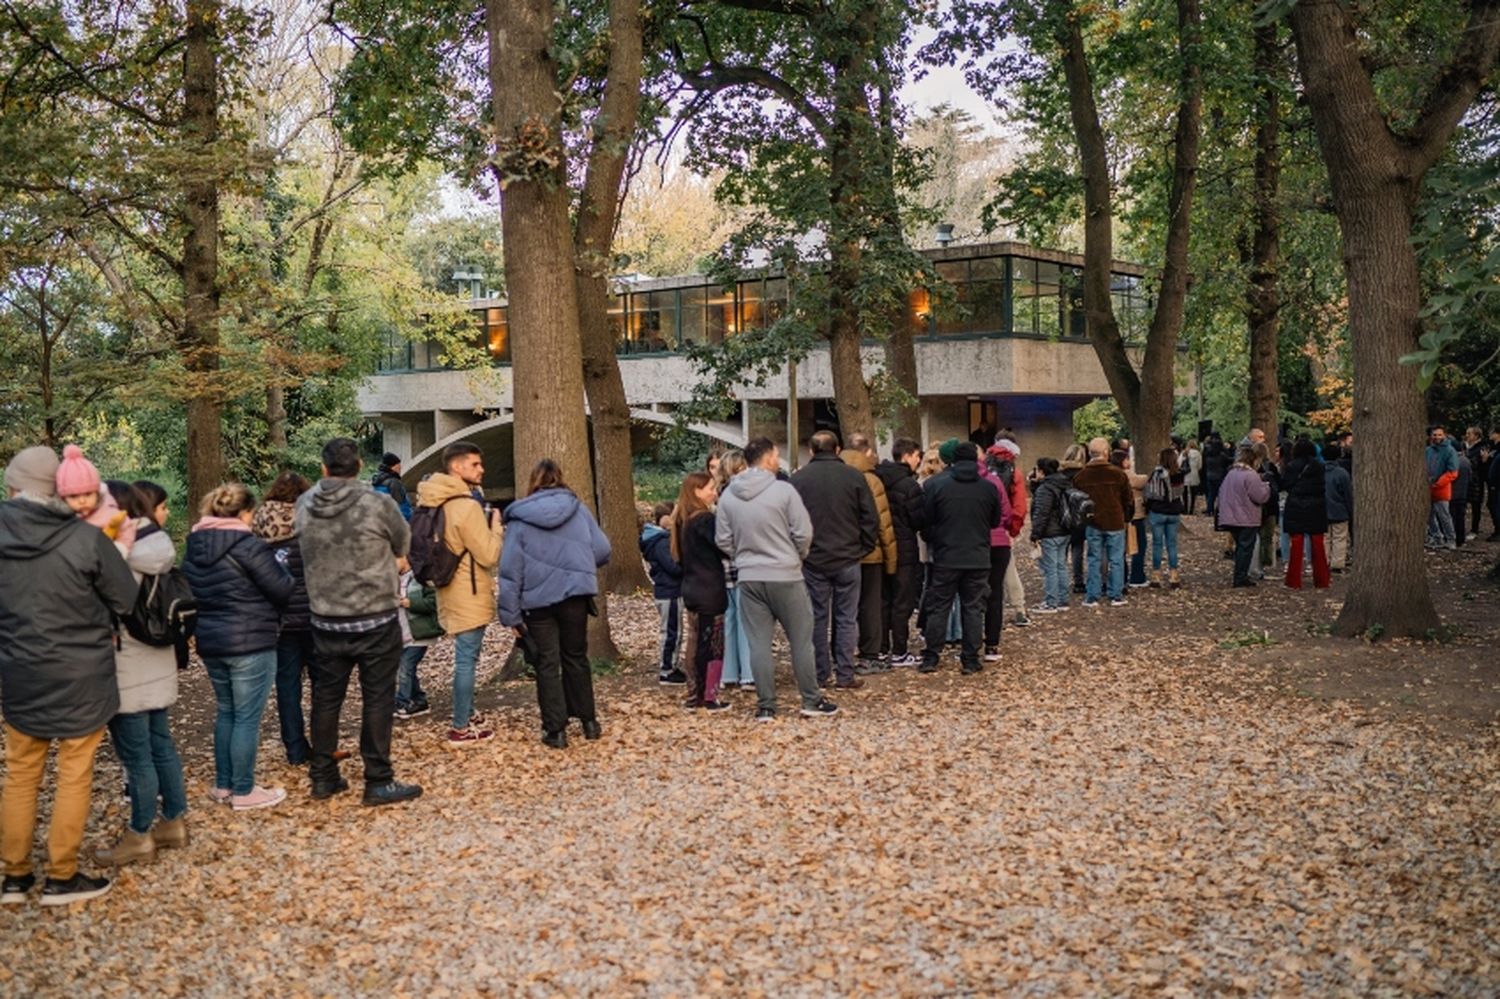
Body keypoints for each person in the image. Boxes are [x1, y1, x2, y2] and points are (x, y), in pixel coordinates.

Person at [0, 447, 137, 905]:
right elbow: (126, 600)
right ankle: (62, 877)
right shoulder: (84, 538)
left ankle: (15, 877)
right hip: (83, 672)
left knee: (20, 774)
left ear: (15, 488)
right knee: (74, 774)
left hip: (20, 669)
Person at [295, 437, 421, 807]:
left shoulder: (304, 504)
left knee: (326, 698)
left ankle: (323, 775)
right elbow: (403, 543)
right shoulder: (377, 503)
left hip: (326, 617)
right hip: (375, 616)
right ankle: (378, 778)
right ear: (358, 468)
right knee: (378, 698)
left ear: (323, 468)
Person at [91, 481, 190, 868]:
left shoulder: (118, 556)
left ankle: (139, 835)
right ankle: (174, 823)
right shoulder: (158, 547)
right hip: (158, 659)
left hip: (126, 665)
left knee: (137, 757)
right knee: (161, 745)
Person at [183, 483, 294, 811]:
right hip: (251, 640)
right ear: (246, 513)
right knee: (247, 717)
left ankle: (223, 785)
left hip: (212, 640)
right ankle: (244, 790)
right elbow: (283, 589)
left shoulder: (195, 546)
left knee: (227, 712)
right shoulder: (249, 546)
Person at [715, 437, 838, 720]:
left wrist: (742, 556)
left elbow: (722, 538)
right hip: (786, 574)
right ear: (769, 457)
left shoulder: (729, 495)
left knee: (758, 643)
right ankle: (810, 699)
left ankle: (766, 705)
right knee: (801, 640)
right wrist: (796, 556)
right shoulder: (784, 491)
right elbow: (803, 532)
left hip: (749, 576)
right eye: (775, 453)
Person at [499, 459, 612, 747]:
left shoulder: (519, 519)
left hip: (537, 601)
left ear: (533, 481)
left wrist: (509, 615)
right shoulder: (579, 510)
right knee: (576, 656)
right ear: (559, 478)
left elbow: (510, 569)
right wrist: (577, 563)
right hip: (575, 595)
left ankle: (556, 730)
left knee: (547, 663)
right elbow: (602, 550)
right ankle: (589, 722)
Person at [415, 441, 505, 747]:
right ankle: (460, 727)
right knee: (467, 659)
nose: (482, 469)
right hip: (469, 590)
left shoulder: (433, 500)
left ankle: (466, 711)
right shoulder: (465, 506)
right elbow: (489, 554)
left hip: (447, 587)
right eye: (475, 464)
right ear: (457, 467)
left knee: (467, 656)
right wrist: (496, 527)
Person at [791, 431, 878, 691]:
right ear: (838, 449)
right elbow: (869, 518)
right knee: (846, 617)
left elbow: (791, 520)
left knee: (817, 617)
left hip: (813, 558)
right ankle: (845, 673)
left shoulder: (799, 480)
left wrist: (800, 552)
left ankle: (820, 673)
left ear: (811, 450)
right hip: (848, 556)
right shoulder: (854, 477)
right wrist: (862, 547)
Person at [918, 441, 1001, 674]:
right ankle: (971, 658)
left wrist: (934, 537)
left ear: (951, 460)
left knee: (939, 606)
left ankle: (932, 656)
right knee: (973, 608)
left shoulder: (935, 485)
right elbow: (995, 521)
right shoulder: (988, 488)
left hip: (946, 554)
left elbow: (926, 519)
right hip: (978, 555)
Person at [250, 471, 314, 766]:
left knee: (288, 686)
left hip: (281, 620)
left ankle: (295, 748)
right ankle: (324, 742)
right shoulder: (313, 521)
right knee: (323, 683)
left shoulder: (260, 527)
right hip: (316, 617)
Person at [841, 432, 898, 672]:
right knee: (871, 604)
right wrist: (891, 560)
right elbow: (882, 522)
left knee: (843, 606)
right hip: (871, 553)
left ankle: (842, 651)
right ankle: (870, 652)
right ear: (866, 452)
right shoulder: (872, 480)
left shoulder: (837, 477)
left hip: (841, 552)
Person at [672, 472, 729, 711]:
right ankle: (709, 695)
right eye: (710, 488)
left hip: (691, 588)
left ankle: (693, 694)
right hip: (710, 590)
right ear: (696, 491)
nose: (714, 493)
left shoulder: (682, 520)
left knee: (695, 642)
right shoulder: (705, 520)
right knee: (712, 644)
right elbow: (724, 546)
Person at [874, 438, 927, 667]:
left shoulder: (877, 480)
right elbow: (918, 519)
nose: (918, 461)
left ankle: (881, 647)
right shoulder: (909, 486)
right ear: (907, 456)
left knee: (883, 600)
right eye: (917, 456)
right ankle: (900, 649)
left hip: (880, 549)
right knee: (902, 601)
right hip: (904, 549)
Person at [1073, 438, 1133, 607]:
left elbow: (1076, 501)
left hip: (1093, 521)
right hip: (1115, 520)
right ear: (1106, 452)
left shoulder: (1081, 476)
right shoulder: (1118, 474)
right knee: (1116, 559)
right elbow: (1128, 499)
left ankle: (1092, 595)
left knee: (1094, 558)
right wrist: (1126, 516)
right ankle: (1116, 594)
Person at [714, 451, 755, 690]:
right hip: (743, 562)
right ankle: (748, 673)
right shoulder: (744, 496)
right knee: (746, 618)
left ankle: (728, 672)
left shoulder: (719, 496)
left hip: (722, 566)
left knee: (728, 619)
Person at [640, 500, 687, 687]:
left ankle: (671, 666)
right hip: (669, 591)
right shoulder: (660, 542)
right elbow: (672, 567)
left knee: (674, 630)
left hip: (670, 590)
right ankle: (667, 669)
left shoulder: (660, 539)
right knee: (670, 631)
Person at [977, 446, 1016, 662]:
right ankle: (992, 643)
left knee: (971, 592)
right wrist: (1006, 528)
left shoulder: (955, 482)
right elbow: (1007, 512)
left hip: (974, 542)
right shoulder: (994, 482)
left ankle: (970, 642)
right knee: (995, 592)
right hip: (999, 541)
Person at [988, 439, 1031, 627]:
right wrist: (1012, 530)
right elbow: (1020, 506)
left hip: (979, 528)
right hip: (1002, 530)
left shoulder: (982, 467)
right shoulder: (1014, 473)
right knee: (1008, 569)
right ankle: (1019, 608)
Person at [1218, 447, 1272, 587]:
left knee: (1240, 547)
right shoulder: (1251, 475)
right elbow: (1260, 497)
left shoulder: (1231, 474)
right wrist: (1266, 487)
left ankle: (1239, 574)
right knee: (1245, 548)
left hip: (1230, 516)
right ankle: (1240, 577)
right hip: (1247, 517)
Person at [1281, 439, 1331, 588]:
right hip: (1317, 506)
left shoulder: (1292, 466)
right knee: (1317, 544)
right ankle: (1322, 579)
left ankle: (1294, 580)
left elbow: (1286, 484)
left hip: (1296, 505)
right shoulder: (1320, 466)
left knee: (1296, 544)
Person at [1029, 457, 1072, 612]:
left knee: (1050, 568)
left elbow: (1041, 513)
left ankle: (1051, 602)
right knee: (1061, 565)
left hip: (1050, 532)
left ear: (1041, 471)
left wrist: (1035, 535)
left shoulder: (1045, 489)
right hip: (1064, 530)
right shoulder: (1063, 483)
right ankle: (1062, 599)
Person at [395, 568, 439, 719]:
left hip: (420, 633)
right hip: (401, 634)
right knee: (407, 668)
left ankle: (402, 702)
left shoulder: (420, 576)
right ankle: (420, 700)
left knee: (405, 666)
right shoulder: (391, 579)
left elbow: (434, 601)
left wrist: (410, 603)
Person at [1114, 450, 1149, 588]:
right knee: (1139, 546)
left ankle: (1122, 576)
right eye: (1127, 459)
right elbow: (1143, 480)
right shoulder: (1128, 476)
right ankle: (1137, 576)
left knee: (1120, 549)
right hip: (1135, 515)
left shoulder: (1113, 475)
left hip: (1119, 516)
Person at [1059, 443, 1089, 594]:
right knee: (1078, 549)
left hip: (1063, 515)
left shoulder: (1060, 474)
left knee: (1062, 550)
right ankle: (1078, 581)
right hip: (1079, 515)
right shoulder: (1085, 474)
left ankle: (1061, 581)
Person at [1425, 425, 1460, 550]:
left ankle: (1451, 539)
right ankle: (1437, 538)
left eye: (1439, 434)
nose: (1437, 437)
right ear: (1431, 436)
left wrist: (1438, 483)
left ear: (1444, 435)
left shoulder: (1450, 451)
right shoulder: (1428, 450)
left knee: (1444, 516)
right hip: (1427, 489)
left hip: (1442, 489)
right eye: (1434, 435)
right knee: (1428, 515)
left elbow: (1453, 472)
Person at [1323, 443, 1354, 572]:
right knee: (1339, 538)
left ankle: (1324, 561)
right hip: (1340, 510)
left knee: (1325, 538)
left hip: (1323, 509)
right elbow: (1348, 494)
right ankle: (1337, 564)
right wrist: (1350, 510)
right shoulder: (1342, 473)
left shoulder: (1319, 471)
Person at [371, 453, 412, 520]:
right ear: (393, 467)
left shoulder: (376, 480)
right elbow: (402, 507)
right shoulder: (394, 482)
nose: (400, 469)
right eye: (399, 467)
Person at [1464, 426, 1487, 541]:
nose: (1467, 436)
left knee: (1476, 506)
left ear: (1476, 436)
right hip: (1466, 480)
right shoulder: (1467, 447)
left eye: (1469, 434)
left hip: (1476, 481)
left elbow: (1479, 465)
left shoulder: (1481, 448)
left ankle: (1474, 529)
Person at [1201, 434, 1229, 516]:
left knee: (1211, 494)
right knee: (1220, 493)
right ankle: (1219, 509)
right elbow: (1229, 460)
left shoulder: (1208, 455)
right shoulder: (1221, 455)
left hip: (1209, 476)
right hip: (1219, 476)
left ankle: (1210, 510)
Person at [1451, 446, 1473, 548]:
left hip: (1452, 493)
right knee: (1460, 517)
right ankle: (1461, 539)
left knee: (1452, 517)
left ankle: (1453, 538)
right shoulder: (1466, 461)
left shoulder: (1452, 461)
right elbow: (1470, 477)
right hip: (1463, 494)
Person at [1182, 438, 1202, 515]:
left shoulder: (1184, 452)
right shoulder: (1198, 454)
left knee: (1185, 493)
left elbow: (1179, 462)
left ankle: (1185, 509)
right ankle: (1191, 509)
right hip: (1194, 474)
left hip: (1185, 474)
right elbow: (1200, 466)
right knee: (1193, 493)